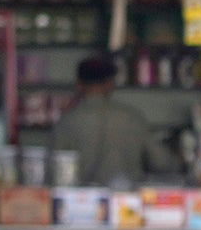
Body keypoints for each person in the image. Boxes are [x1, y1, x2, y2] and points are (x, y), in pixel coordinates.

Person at [49, 51, 177, 188]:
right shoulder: (132, 117)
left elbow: (54, 171)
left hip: (82, 198)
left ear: (79, 84)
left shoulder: (67, 122)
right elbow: (162, 162)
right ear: (110, 83)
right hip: (126, 198)